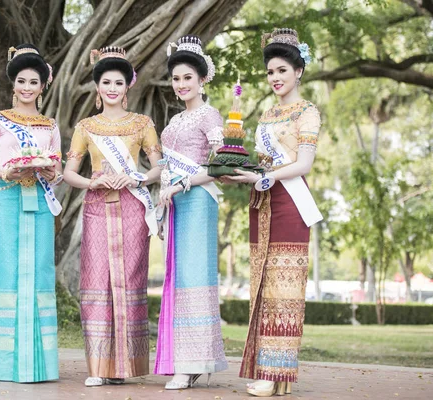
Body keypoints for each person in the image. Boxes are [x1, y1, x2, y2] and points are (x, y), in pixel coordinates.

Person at [220, 28, 323, 397]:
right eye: (270, 72)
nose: (275, 78)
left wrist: (261, 176)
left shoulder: (308, 112)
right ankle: (270, 371)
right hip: (262, 203)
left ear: (298, 71)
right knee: (262, 288)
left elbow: (303, 164)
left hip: (290, 203)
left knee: (285, 288)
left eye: (282, 70)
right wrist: (240, 176)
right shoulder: (266, 114)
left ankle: (278, 373)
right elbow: (261, 165)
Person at [62, 46, 162, 386]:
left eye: (118, 82)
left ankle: (125, 366)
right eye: (106, 82)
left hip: (133, 205)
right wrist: (95, 179)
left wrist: (138, 177)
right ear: (98, 86)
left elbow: (159, 165)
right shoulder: (86, 126)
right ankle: (99, 366)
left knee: (130, 279)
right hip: (96, 207)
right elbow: (69, 172)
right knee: (97, 280)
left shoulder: (142, 123)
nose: (112, 88)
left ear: (128, 86)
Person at [0, 44, 63, 383]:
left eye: (34, 82)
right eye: (22, 81)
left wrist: (50, 171)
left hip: (40, 202)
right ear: (13, 84)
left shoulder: (50, 125)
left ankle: (40, 363)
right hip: (8, 197)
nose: (27, 88)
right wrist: (6, 173)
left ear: (44, 86)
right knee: (5, 272)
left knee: (40, 272)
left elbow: (55, 168)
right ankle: (2, 364)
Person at [154, 35, 228, 390]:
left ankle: (194, 362)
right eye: (176, 78)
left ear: (202, 79)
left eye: (188, 77)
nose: (181, 84)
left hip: (198, 201)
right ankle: (192, 360)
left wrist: (181, 185)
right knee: (180, 279)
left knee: (195, 279)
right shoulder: (175, 119)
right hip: (177, 204)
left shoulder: (209, 114)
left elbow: (221, 165)